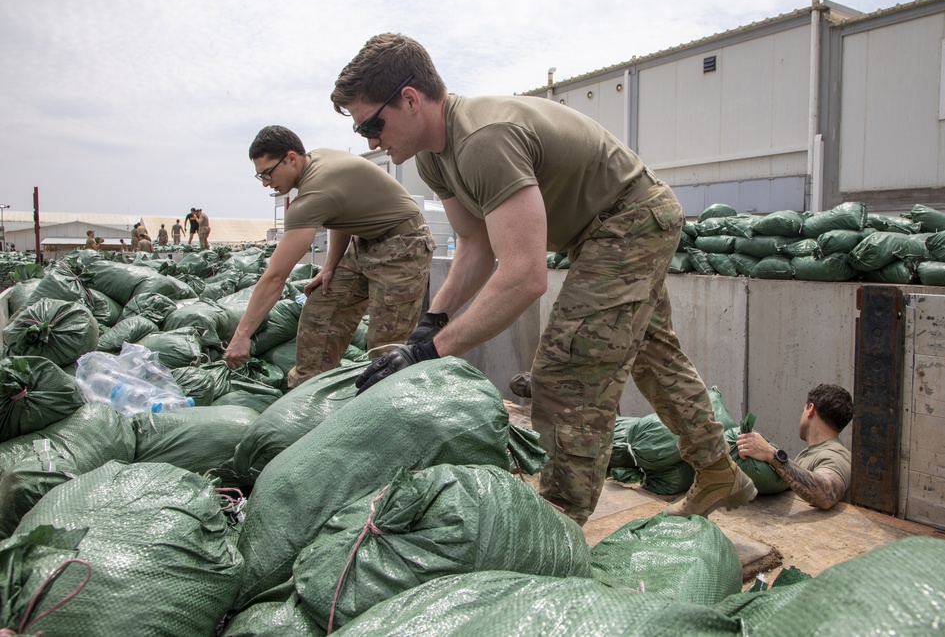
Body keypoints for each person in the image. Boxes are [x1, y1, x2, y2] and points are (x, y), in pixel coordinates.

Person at [333, 33, 755, 525]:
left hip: (631, 217)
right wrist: (431, 321)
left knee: (567, 370)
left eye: (372, 124)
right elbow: (475, 245)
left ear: (409, 99)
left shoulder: (483, 141)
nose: (369, 141)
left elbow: (524, 277)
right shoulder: (431, 157)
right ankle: (718, 472)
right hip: (600, 231)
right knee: (652, 355)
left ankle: (558, 523)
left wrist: (430, 351)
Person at [224, 125, 436, 389]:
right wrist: (329, 267)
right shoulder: (315, 162)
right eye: (260, 177)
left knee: (385, 349)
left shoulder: (312, 194)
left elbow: (276, 277)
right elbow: (341, 214)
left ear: (291, 158)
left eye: (267, 173)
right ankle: (306, 388)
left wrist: (242, 336)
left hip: (403, 246)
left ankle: (384, 409)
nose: (266, 183)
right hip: (364, 243)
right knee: (320, 310)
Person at [737, 384, 854, 510]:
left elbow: (826, 496)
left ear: (810, 409)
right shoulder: (807, 454)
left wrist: (772, 455)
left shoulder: (836, 455)